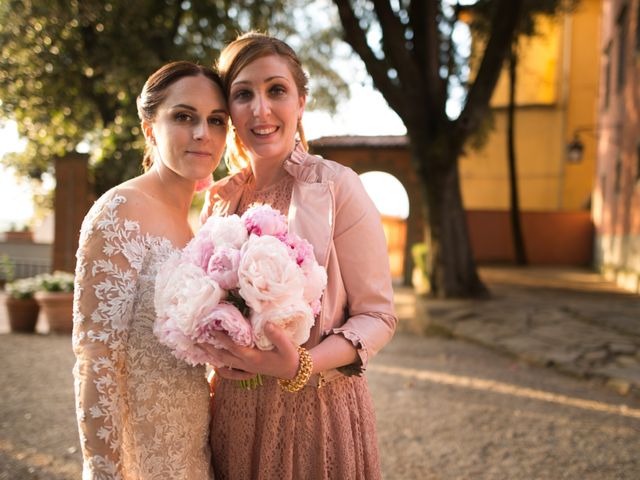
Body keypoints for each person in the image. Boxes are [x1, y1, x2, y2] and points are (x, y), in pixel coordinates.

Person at [200, 32, 397, 480]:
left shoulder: (336, 187)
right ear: (229, 110)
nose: (261, 109)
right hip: (231, 412)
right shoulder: (217, 200)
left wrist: (302, 364)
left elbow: (377, 316)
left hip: (314, 410)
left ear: (301, 101)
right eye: (243, 94)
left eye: (276, 90)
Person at [72, 61, 228, 479]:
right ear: (148, 128)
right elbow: (96, 358)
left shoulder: (199, 226)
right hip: (141, 463)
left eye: (216, 120)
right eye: (183, 116)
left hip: (194, 454)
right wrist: (106, 472)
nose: (202, 133)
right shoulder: (120, 212)